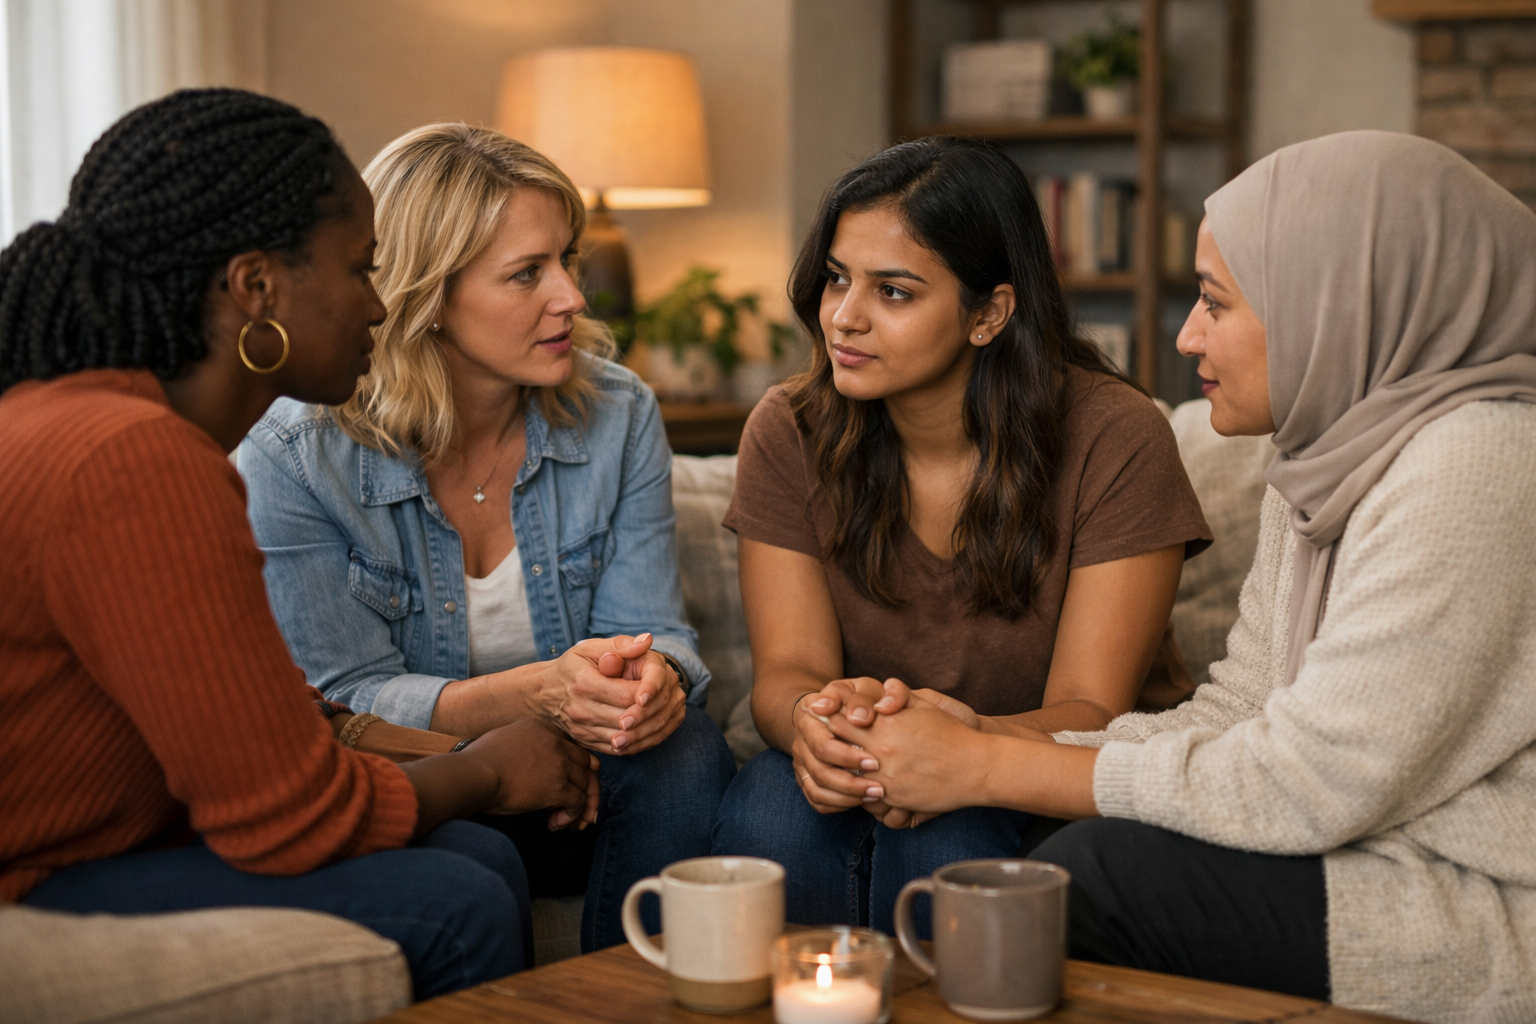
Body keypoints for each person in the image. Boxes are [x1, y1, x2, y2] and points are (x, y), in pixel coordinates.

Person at [809, 131, 1536, 1023]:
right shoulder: (1327, 456)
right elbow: (1241, 711)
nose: (1188, 334)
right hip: (1358, 846)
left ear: (1333, 303)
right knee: (1048, 837)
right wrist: (994, 739)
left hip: (1464, 897)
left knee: (1089, 875)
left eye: (1215, 303)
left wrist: (987, 763)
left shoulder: (1479, 462)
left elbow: (1307, 783)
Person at [0, 89, 613, 999]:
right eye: (361, 269)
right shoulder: (136, 460)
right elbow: (288, 821)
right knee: (457, 897)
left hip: (113, 843)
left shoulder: (106, 422)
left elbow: (266, 725)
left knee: (474, 853)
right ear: (257, 289)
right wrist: (485, 770)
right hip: (38, 880)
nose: (379, 304)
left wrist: (464, 765)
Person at [238, 123, 735, 953]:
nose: (572, 296)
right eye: (527, 274)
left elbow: (659, 629)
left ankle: (627, 1006)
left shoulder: (617, 411)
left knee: (685, 752)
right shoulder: (295, 453)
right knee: (469, 856)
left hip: (586, 777)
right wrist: (536, 696)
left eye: (567, 259)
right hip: (427, 783)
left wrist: (652, 678)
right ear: (427, 295)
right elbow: (344, 699)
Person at [709, 137, 1211, 937]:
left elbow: (1090, 707)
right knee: (772, 813)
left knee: (952, 832)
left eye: (895, 292)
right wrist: (812, 719)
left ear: (989, 313)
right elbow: (788, 671)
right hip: (882, 749)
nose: (845, 316)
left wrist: (948, 747)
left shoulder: (1116, 434)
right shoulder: (791, 428)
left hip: (1054, 765)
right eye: (838, 278)